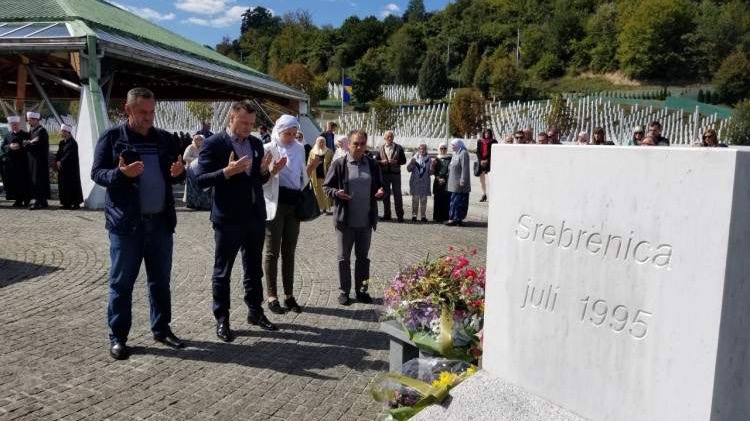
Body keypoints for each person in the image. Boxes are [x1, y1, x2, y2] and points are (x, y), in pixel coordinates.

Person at [90, 87, 187, 360]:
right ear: (128, 110)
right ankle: (118, 337)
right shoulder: (112, 138)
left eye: (152, 112)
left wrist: (179, 173)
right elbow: (97, 172)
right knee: (121, 284)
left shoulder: (164, 139)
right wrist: (120, 174)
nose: (148, 117)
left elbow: (174, 173)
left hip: (159, 224)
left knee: (160, 281)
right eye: (142, 112)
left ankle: (161, 328)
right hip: (127, 226)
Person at [195, 100, 275, 343]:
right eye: (243, 123)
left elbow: (256, 181)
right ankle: (222, 319)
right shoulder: (214, 143)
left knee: (253, 268)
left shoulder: (255, 143)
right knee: (223, 271)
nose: (247, 128)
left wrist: (266, 171)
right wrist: (227, 172)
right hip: (228, 218)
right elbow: (200, 180)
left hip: (254, 216)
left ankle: (255, 311)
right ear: (231, 119)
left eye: (251, 124)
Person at [262, 115, 317, 314]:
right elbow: (261, 179)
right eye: (288, 133)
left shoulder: (300, 148)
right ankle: (271, 295)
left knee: (289, 252)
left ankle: (289, 295)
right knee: (272, 251)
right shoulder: (268, 148)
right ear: (279, 130)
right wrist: (273, 171)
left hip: (294, 204)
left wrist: (311, 169)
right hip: (276, 204)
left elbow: (301, 176)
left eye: (294, 133)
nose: (292, 137)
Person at [323, 130, 384, 305]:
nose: (359, 147)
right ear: (348, 144)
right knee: (343, 258)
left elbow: (380, 187)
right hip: (345, 222)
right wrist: (336, 192)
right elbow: (326, 187)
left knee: (363, 258)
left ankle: (362, 291)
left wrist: (380, 192)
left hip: (365, 221)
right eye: (355, 143)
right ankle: (344, 291)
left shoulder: (372, 165)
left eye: (362, 144)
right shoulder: (340, 164)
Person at [0, 116, 31, 207]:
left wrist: (20, 146)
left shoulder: (25, 134)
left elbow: (29, 145)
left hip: (23, 162)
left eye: (16, 124)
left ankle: (26, 200)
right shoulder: (8, 135)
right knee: (15, 182)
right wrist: (10, 146)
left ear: (19, 125)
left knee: (24, 182)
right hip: (12, 163)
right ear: (10, 125)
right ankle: (18, 200)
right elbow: (3, 146)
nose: (14, 126)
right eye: (12, 125)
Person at [376, 130, 406, 222]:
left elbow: (404, 161)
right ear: (384, 138)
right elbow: (376, 161)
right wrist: (381, 162)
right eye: (388, 136)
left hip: (396, 174)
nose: (390, 138)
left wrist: (396, 162)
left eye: (391, 136)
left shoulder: (399, 148)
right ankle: (387, 214)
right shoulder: (381, 148)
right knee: (386, 195)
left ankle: (400, 216)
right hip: (385, 174)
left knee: (397, 195)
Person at [26, 112, 51, 209]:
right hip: (33, 159)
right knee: (36, 179)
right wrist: (29, 142)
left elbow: (37, 144)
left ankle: (38, 200)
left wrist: (29, 143)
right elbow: (28, 142)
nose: (28, 121)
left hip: (40, 160)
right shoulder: (32, 130)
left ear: (35, 120)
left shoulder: (41, 131)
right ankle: (43, 201)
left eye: (29, 119)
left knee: (39, 180)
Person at [55, 124, 83, 209]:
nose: (61, 133)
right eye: (61, 131)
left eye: (63, 131)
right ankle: (66, 203)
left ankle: (75, 203)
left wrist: (61, 161)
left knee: (72, 185)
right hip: (62, 169)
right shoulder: (61, 143)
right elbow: (59, 153)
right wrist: (57, 161)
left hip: (71, 169)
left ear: (68, 132)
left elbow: (69, 155)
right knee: (63, 185)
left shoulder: (73, 143)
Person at [446, 139, 470, 227]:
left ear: (458, 145)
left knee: (458, 201)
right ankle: (454, 218)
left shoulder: (463, 153)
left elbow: (465, 168)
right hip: (453, 182)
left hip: (459, 183)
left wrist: (463, 180)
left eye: (453, 145)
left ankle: (456, 219)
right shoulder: (455, 153)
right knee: (454, 201)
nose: (452, 147)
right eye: (452, 145)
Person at [183, 135, 211, 210]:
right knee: (192, 187)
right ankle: (192, 203)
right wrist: (196, 159)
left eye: (200, 140)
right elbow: (185, 157)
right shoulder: (190, 147)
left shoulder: (203, 148)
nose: (199, 141)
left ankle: (201, 203)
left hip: (200, 169)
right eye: (197, 140)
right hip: (191, 169)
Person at [407, 143, 432, 222]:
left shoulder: (429, 159)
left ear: (426, 150)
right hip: (415, 182)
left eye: (424, 149)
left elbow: (430, 172)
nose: (422, 150)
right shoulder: (414, 158)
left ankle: (423, 216)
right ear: (418, 149)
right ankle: (414, 215)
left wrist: (433, 167)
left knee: (424, 200)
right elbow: (408, 169)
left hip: (424, 182)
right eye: (420, 149)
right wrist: (412, 163)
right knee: (415, 200)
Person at [309, 136, 333, 214]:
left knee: (324, 193)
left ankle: (326, 208)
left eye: (323, 142)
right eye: (320, 142)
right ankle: (320, 208)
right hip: (315, 176)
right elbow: (309, 163)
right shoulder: (312, 152)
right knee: (317, 193)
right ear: (317, 142)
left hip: (325, 175)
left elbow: (332, 162)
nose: (321, 143)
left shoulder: (329, 151)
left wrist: (330, 165)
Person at [476, 128, 498, 202]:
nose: (486, 134)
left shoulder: (494, 141)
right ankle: (484, 194)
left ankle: (492, 195)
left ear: (490, 134)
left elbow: (494, 152)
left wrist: (487, 160)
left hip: (490, 162)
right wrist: (481, 160)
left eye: (488, 133)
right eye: (485, 133)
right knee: (482, 180)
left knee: (490, 179)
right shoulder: (480, 141)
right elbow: (478, 152)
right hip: (481, 162)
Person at [431, 143, 451, 223]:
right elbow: (434, 172)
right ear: (439, 149)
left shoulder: (450, 158)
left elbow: (450, 170)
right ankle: (437, 217)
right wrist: (439, 179)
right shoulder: (436, 159)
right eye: (441, 148)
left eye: (444, 148)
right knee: (437, 200)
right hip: (437, 181)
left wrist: (445, 179)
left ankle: (445, 217)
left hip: (446, 181)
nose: (443, 150)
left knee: (446, 200)